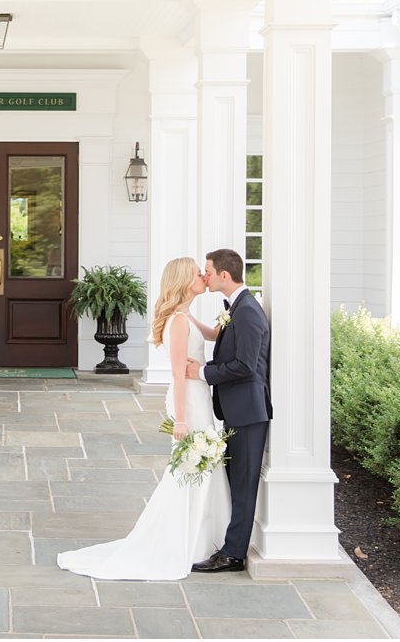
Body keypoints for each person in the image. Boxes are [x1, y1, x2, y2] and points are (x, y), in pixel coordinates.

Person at [56, 257, 230, 581]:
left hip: (199, 397)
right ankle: (189, 541)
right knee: (193, 466)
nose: (203, 276)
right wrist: (180, 420)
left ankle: (204, 537)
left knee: (203, 467)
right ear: (183, 280)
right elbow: (179, 376)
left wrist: (230, 314)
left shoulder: (187, 313)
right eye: (197, 273)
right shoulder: (178, 321)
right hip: (189, 401)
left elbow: (212, 335)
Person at [184, 248, 271, 574]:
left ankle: (234, 555)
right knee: (236, 480)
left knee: (244, 484)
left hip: (249, 411)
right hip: (238, 410)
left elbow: (246, 367)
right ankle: (230, 545)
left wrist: (203, 373)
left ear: (224, 275)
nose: (205, 276)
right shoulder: (237, 308)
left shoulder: (247, 311)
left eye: (207, 271)